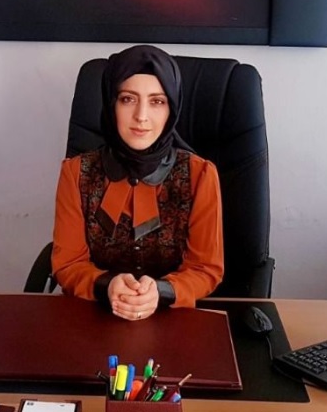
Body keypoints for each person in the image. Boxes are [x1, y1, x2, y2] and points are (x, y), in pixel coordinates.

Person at [52, 45, 224, 321]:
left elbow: (205, 269)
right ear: (111, 103)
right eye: (128, 99)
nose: (141, 116)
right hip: (92, 316)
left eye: (157, 101)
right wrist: (107, 286)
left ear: (172, 108)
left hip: (173, 319)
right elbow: (68, 264)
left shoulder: (199, 175)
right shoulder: (76, 173)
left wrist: (161, 291)